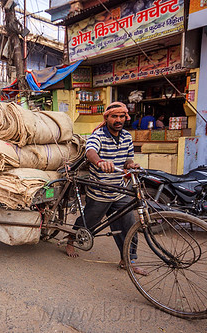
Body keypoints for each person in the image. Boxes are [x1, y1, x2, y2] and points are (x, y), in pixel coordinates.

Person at [65, 102, 147, 276]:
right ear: (107, 118)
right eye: (114, 116)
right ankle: (70, 239)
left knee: (128, 225)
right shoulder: (98, 136)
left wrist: (132, 165)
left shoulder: (126, 137)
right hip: (100, 191)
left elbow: (127, 160)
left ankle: (128, 261)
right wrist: (100, 162)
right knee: (88, 223)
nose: (118, 120)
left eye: (121, 116)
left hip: (119, 189)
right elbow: (90, 152)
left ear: (126, 117)